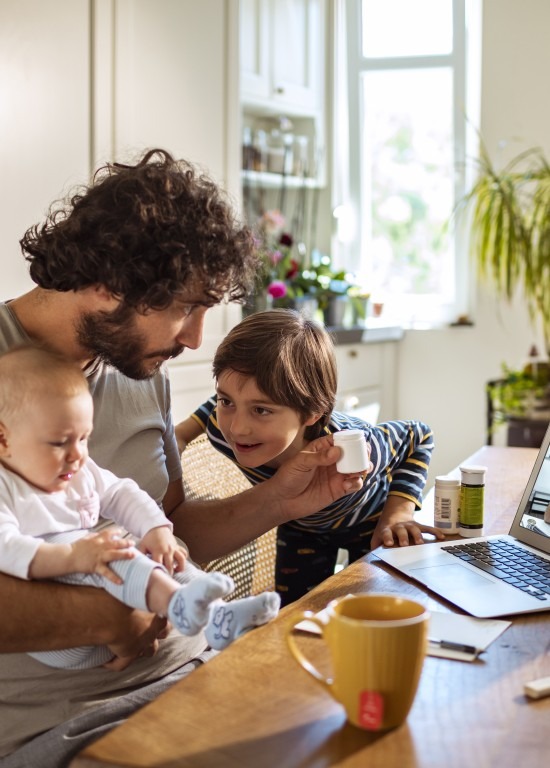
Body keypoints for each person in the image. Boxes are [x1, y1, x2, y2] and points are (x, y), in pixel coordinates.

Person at [0, 148, 362, 765]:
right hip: (73, 719)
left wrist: (282, 497)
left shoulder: (138, 371)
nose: (196, 338)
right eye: (184, 308)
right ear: (111, 282)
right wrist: (111, 619)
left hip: (199, 664)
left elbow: (172, 531)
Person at [0, 345, 281, 669]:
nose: (77, 454)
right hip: (64, 638)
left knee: (167, 556)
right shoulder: (7, 486)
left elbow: (120, 492)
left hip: (121, 616)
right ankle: (177, 603)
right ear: (4, 440)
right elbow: (6, 547)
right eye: (60, 442)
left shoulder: (78, 468)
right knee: (114, 550)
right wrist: (73, 557)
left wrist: (156, 529)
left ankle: (219, 617)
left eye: (83, 438)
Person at [176, 309, 445, 606]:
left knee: (373, 607)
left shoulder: (351, 448)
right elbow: (214, 405)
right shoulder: (220, 425)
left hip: (369, 523)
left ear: (312, 413)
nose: (237, 428)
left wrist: (397, 514)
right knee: (296, 613)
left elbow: (418, 436)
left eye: (261, 410)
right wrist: (182, 434)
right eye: (228, 402)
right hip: (300, 528)